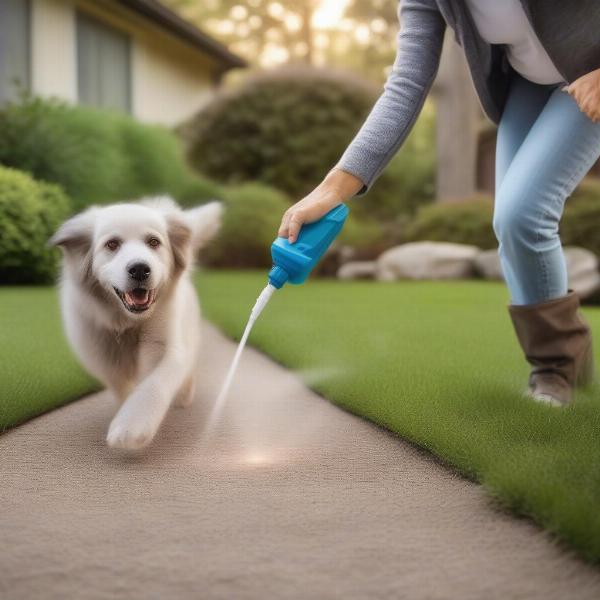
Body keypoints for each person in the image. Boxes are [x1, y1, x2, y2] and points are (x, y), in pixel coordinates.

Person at [277, 0, 600, 406]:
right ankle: (560, 360)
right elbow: (407, 82)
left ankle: (556, 368)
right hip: (528, 86)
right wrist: (330, 189)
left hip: (592, 71)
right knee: (510, 223)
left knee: (524, 213)